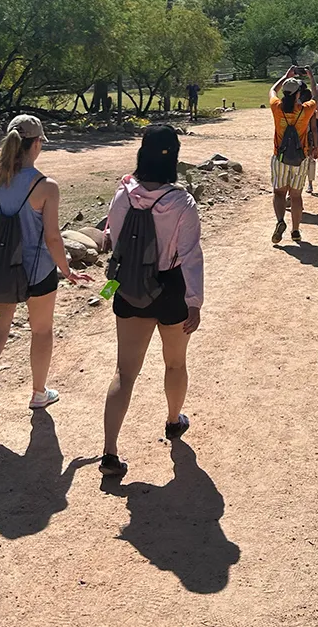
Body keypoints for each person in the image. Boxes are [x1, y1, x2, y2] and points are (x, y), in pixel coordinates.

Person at [0, 115, 90, 445]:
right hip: (39, 276)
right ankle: (38, 392)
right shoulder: (45, 186)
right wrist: (67, 270)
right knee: (42, 330)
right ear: (35, 144)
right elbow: (52, 238)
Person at [99, 124, 203, 478]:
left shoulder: (122, 193)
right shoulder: (181, 201)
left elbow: (110, 237)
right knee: (175, 363)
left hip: (129, 287)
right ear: (173, 156)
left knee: (124, 372)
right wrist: (195, 301)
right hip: (171, 286)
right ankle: (174, 421)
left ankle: (110, 452)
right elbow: (190, 255)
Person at [269, 66, 318, 243]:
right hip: (300, 158)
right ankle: (295, 230)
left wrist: (285, 75)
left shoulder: (277, 107)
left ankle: (281, 221)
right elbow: (316, 96)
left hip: (280, 156)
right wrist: (311, 77)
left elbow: (272, 90)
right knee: (296, 196)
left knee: (279, 193)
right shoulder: (305, 110)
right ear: (298, 94)